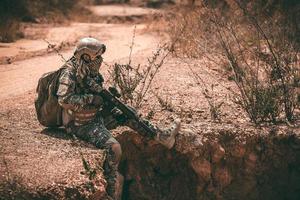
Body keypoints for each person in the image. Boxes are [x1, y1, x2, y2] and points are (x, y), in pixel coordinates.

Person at [56, 37, 181, 200]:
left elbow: (97, 92)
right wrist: (91, 99)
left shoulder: (89, 71)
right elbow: (64, 99)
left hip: (95, 116)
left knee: (128, 114)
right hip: (80, 124)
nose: (100, 60)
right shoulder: (70, 72)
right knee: (114, 148)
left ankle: (161, 136)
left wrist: (108, 101)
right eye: (96, 57)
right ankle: (110, 190)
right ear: (85, 56)